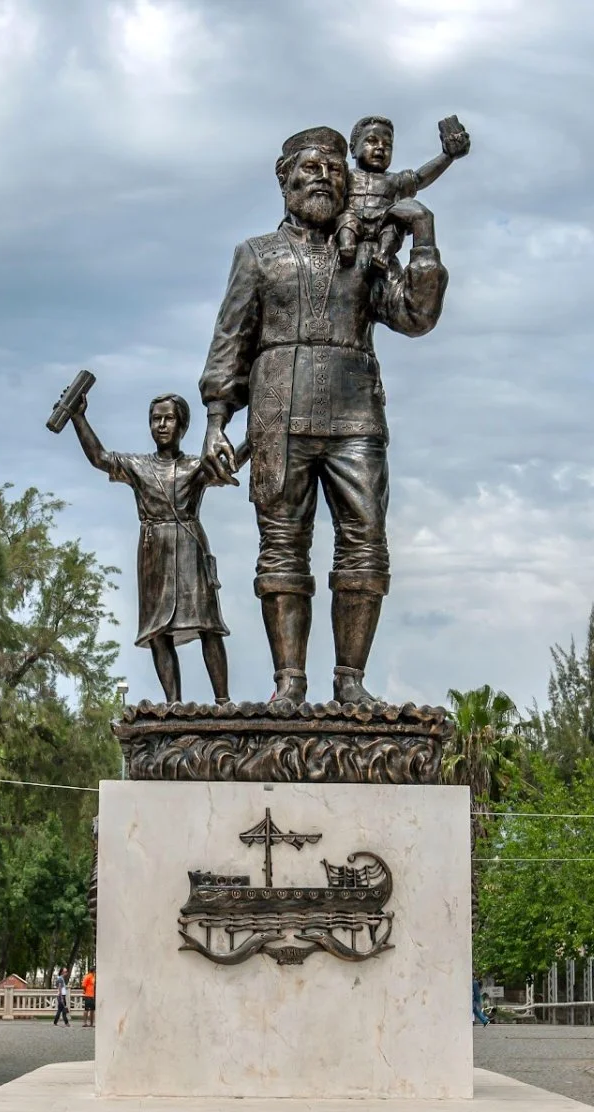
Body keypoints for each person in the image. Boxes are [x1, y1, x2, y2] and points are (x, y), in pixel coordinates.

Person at [200, 124, 452, 705]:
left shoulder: (367, 254)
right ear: (284, 178)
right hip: (276, 415)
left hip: (356, 415)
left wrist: (423, 236)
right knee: (282, 544)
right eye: (311, 168)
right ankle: (288, 683)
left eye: (335, 170)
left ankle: (351, 683)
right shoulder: (257, 255)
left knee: (365, 541)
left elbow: (416, 316)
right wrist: (216, 419)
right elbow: (230, 339)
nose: (324, 178)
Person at [66, 389, 244, 704]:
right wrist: (78, 417)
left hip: (189, 545)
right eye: (155, 419)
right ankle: (173, 704)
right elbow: (100, 458)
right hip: (153, 549)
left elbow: (228, 465)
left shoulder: (194, 466)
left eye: (169, 418)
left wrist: (256, 437)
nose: (161, 425)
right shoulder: (137, 465)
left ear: (183, 426)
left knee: (208, 623)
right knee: (158, 630)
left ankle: (223, 701)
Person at [337, 114, 470, 271]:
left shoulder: (396, 180)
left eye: (387, 145)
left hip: (382, 224)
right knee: (346, 220)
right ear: (353, 149)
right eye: (372, 141)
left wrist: (447, 156)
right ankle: (347, 246)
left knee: (394, 227)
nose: (380, 147)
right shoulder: (343, 176)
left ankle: (383, 255)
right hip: (353, 221)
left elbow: (420, 178)